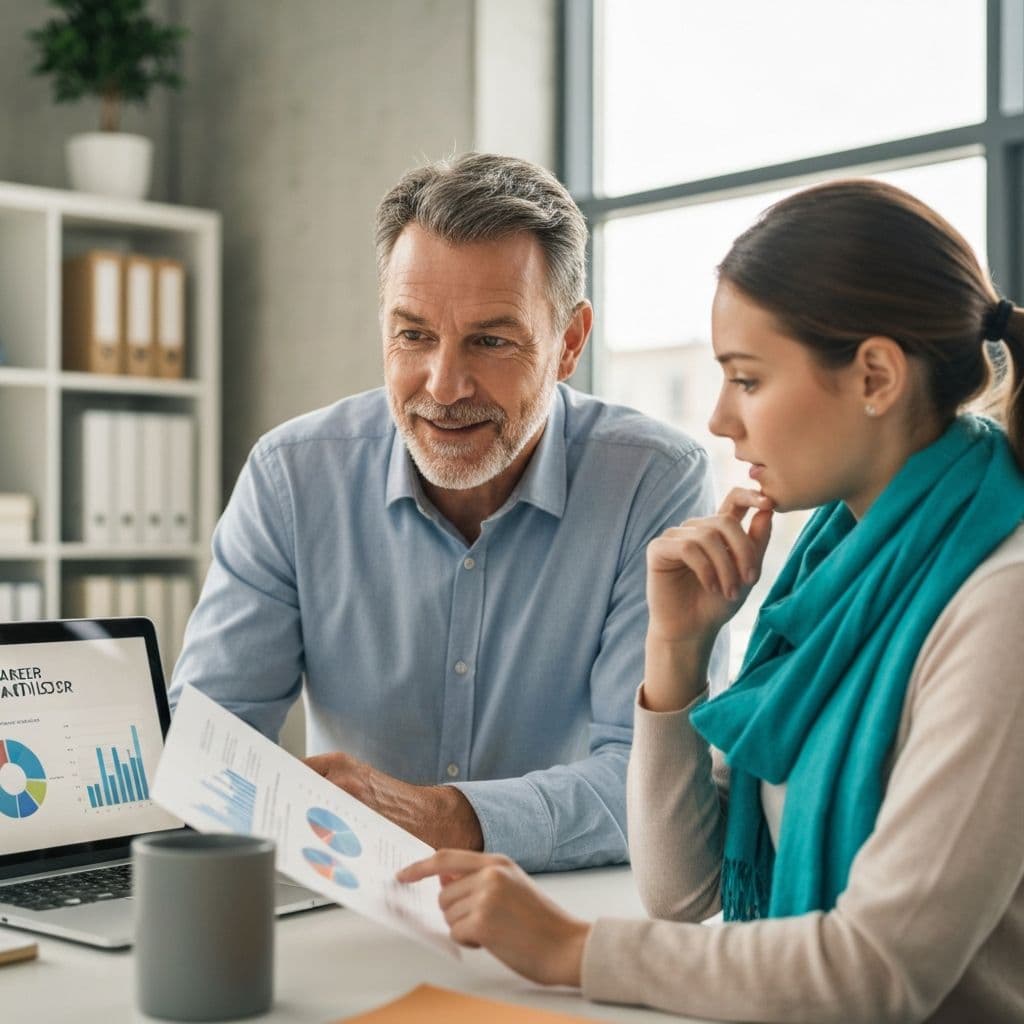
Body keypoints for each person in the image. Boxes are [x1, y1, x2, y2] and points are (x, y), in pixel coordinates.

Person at [398, 179, 1024, 1023]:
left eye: (748, 379)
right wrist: (676, 655)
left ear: (875, 375)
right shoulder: (836, 572)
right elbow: (682, 889)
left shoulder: (1000, 606)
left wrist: (570, 948)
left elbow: (877, 970)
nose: (722, 419)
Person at [168, 153, 724, 871]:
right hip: (348, 896)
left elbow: (654, 784)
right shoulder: (291, 476)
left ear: (569, 343)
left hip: (566, 904)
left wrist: (448, 818)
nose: (444, 385)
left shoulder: (654, 481)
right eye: (414, 335)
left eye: (490, 341)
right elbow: (206, 744)